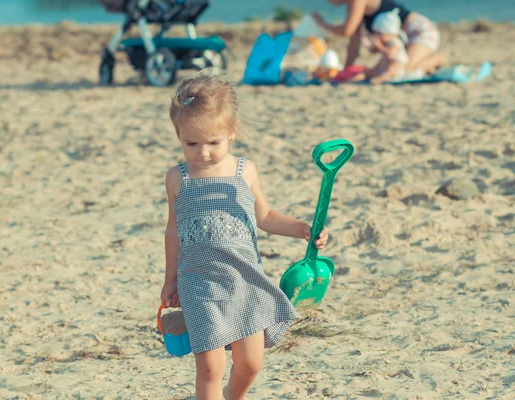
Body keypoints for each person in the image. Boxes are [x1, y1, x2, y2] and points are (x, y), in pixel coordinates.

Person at [161, 74, 330, 400]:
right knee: (210, 366)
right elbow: (173, 231)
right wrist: (170, 281)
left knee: (251, 363)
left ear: (231, 133)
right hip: (200, 283)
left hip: (245, 279)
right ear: (179, 136)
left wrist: (303, 229)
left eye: (213, 142)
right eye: (191, 144)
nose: (203, 153)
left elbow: (265, 216)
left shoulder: (244, 171)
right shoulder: (177, 178)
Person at [312, 0, 447, 74]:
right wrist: (347, 70)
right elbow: (354, 40)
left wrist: (322, 23)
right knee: (381, 72)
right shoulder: (352, 6)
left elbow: (347, 30)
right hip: (400, 41)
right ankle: (423, 62)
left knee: (403, 72)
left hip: (420, 31)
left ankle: (439, 59)